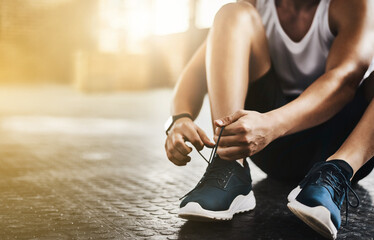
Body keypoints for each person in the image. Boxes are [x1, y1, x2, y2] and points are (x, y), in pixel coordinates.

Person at [163, 0, 374, 239]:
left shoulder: (353, 5)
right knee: (232, 14)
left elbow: (345, 79)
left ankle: (336, 173)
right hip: (269, 147)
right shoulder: (255, 5)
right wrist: (179, 119)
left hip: (343, 148)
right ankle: (230, 165)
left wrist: (272, 124)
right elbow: (196, 71)